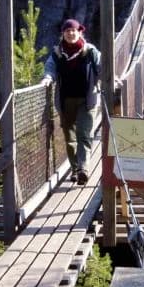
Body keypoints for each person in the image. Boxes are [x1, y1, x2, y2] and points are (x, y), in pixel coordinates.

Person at [42, 18, 101, 185]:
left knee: (84, 134)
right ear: (63, 34)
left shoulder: (90, 51)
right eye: (67, 31)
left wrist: (111, 79)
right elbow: (50, 68)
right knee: (70, 138)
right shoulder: (57, 52)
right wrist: (47, 78)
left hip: (87, 99)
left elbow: (101, 66)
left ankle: (83, 168)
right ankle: (75, 169)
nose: (70, 33)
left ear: (80, 32)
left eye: (74, 30)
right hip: (66, 101)